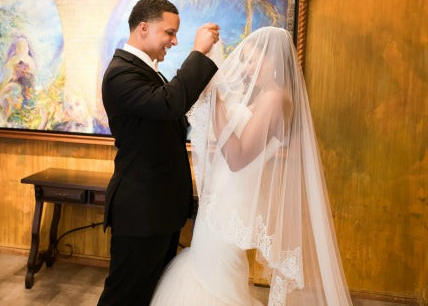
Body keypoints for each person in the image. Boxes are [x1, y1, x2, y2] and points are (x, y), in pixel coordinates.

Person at [150, 26, 353, 305]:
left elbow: (237, 156)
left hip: (233, 205)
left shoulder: (275, 99)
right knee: (212, 271)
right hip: (223, 201)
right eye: (242, 60)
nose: (244, 68)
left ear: (272, 60)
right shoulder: (264, 97)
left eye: (251, 59)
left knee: (217, 276)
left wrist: (216, 101)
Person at [97, 0, 220, 306]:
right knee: (123, 297)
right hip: (140, 211)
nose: (174, 41)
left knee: (150, 295)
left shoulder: (150, 71)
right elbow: (170, 103)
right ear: (143, 28)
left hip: (159, 210)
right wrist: (198, 52)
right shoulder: (120, 73)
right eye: (169, 32)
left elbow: (173, 114)